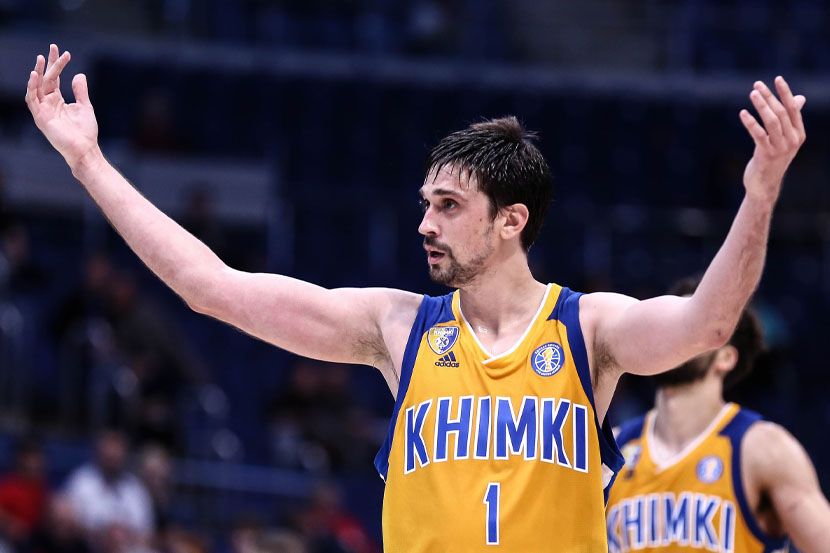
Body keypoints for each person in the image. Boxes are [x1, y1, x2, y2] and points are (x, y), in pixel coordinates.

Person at [25, 43, 806, 551]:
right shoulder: (397, 326)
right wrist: (89, 163)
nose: (425, 224)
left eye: (449, 206)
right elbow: (212, 289)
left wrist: (760, 193)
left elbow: (709, 322)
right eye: (426, 203)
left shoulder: (587, 327)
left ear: (511, 221)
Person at [606, 277, 830, 553]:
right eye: (674, 324)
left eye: (695, 326)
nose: (678, 335)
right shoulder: (612, 447)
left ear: (726, 357)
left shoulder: (763, 450)